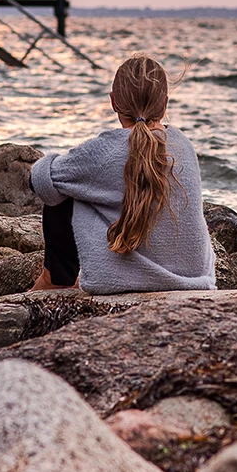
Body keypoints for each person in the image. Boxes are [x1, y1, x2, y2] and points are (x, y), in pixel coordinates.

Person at [27, 54, 215, 294]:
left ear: (113, 102)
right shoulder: (183, 144)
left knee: (65, 189)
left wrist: (52, 162)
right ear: (165, 103)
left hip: (123, 278)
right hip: (194, 278)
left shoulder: (107, 149)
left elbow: (41, 182)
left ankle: (57, 279)